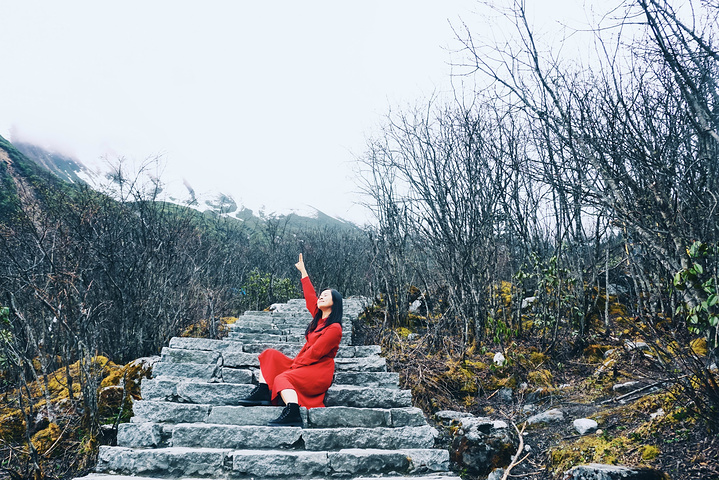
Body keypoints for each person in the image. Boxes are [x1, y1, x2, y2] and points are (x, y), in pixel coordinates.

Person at [238, 253, 343, 427]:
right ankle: (263, 392)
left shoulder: (334, 328)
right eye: (321, 295)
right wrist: (303, 272)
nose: (321, 297)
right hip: (303, 364)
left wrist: (295, 365)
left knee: (282, 378)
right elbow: (310, 297)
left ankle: (292, 412)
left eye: (326, 295)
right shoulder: (318, 319)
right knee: (269, 355)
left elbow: (316, 353)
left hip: (317, 371)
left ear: (335, 302)